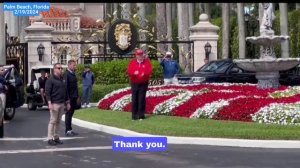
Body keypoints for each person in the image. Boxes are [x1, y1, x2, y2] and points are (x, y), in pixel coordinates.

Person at [45, 63, 70, 146]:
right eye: (58, 68)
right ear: (54, 69)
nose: (60, 70)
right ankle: (49, 138)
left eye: (61, 68)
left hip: (61, 103)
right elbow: (47, 92)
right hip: (54, 103)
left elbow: (66, 91)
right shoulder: (50, 80)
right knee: (52, 121)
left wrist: (67, 102)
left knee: (58, 121)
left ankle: (56, 137)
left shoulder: (62, 79)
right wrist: (49, 103)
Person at [127, 49, 153, 120]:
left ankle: (141, 115)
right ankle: (134, 115)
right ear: (136, 55)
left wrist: (144, 74)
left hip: (143, 83)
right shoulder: (132, 62)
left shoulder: (146, 62)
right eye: (138, 55)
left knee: (141, 98)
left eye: (141, 55)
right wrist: (133, 73)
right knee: (135, 98)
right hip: (135, 83)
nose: (140, 56)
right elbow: (129, 71)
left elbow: (150, 70)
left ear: (143, 55)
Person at [64, 59, 79, 136]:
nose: (75, 66)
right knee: (68, 114)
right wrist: (67, 100)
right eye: (74, 65)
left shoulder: (73, 73)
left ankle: (70, 129)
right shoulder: (67, 74)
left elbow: (75, 87)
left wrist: (77, 96)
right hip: (69, 98)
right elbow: (66, 88)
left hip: (74, 97)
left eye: (75, 65)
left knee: (71, 113)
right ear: (69, 65)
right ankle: (67, 130)